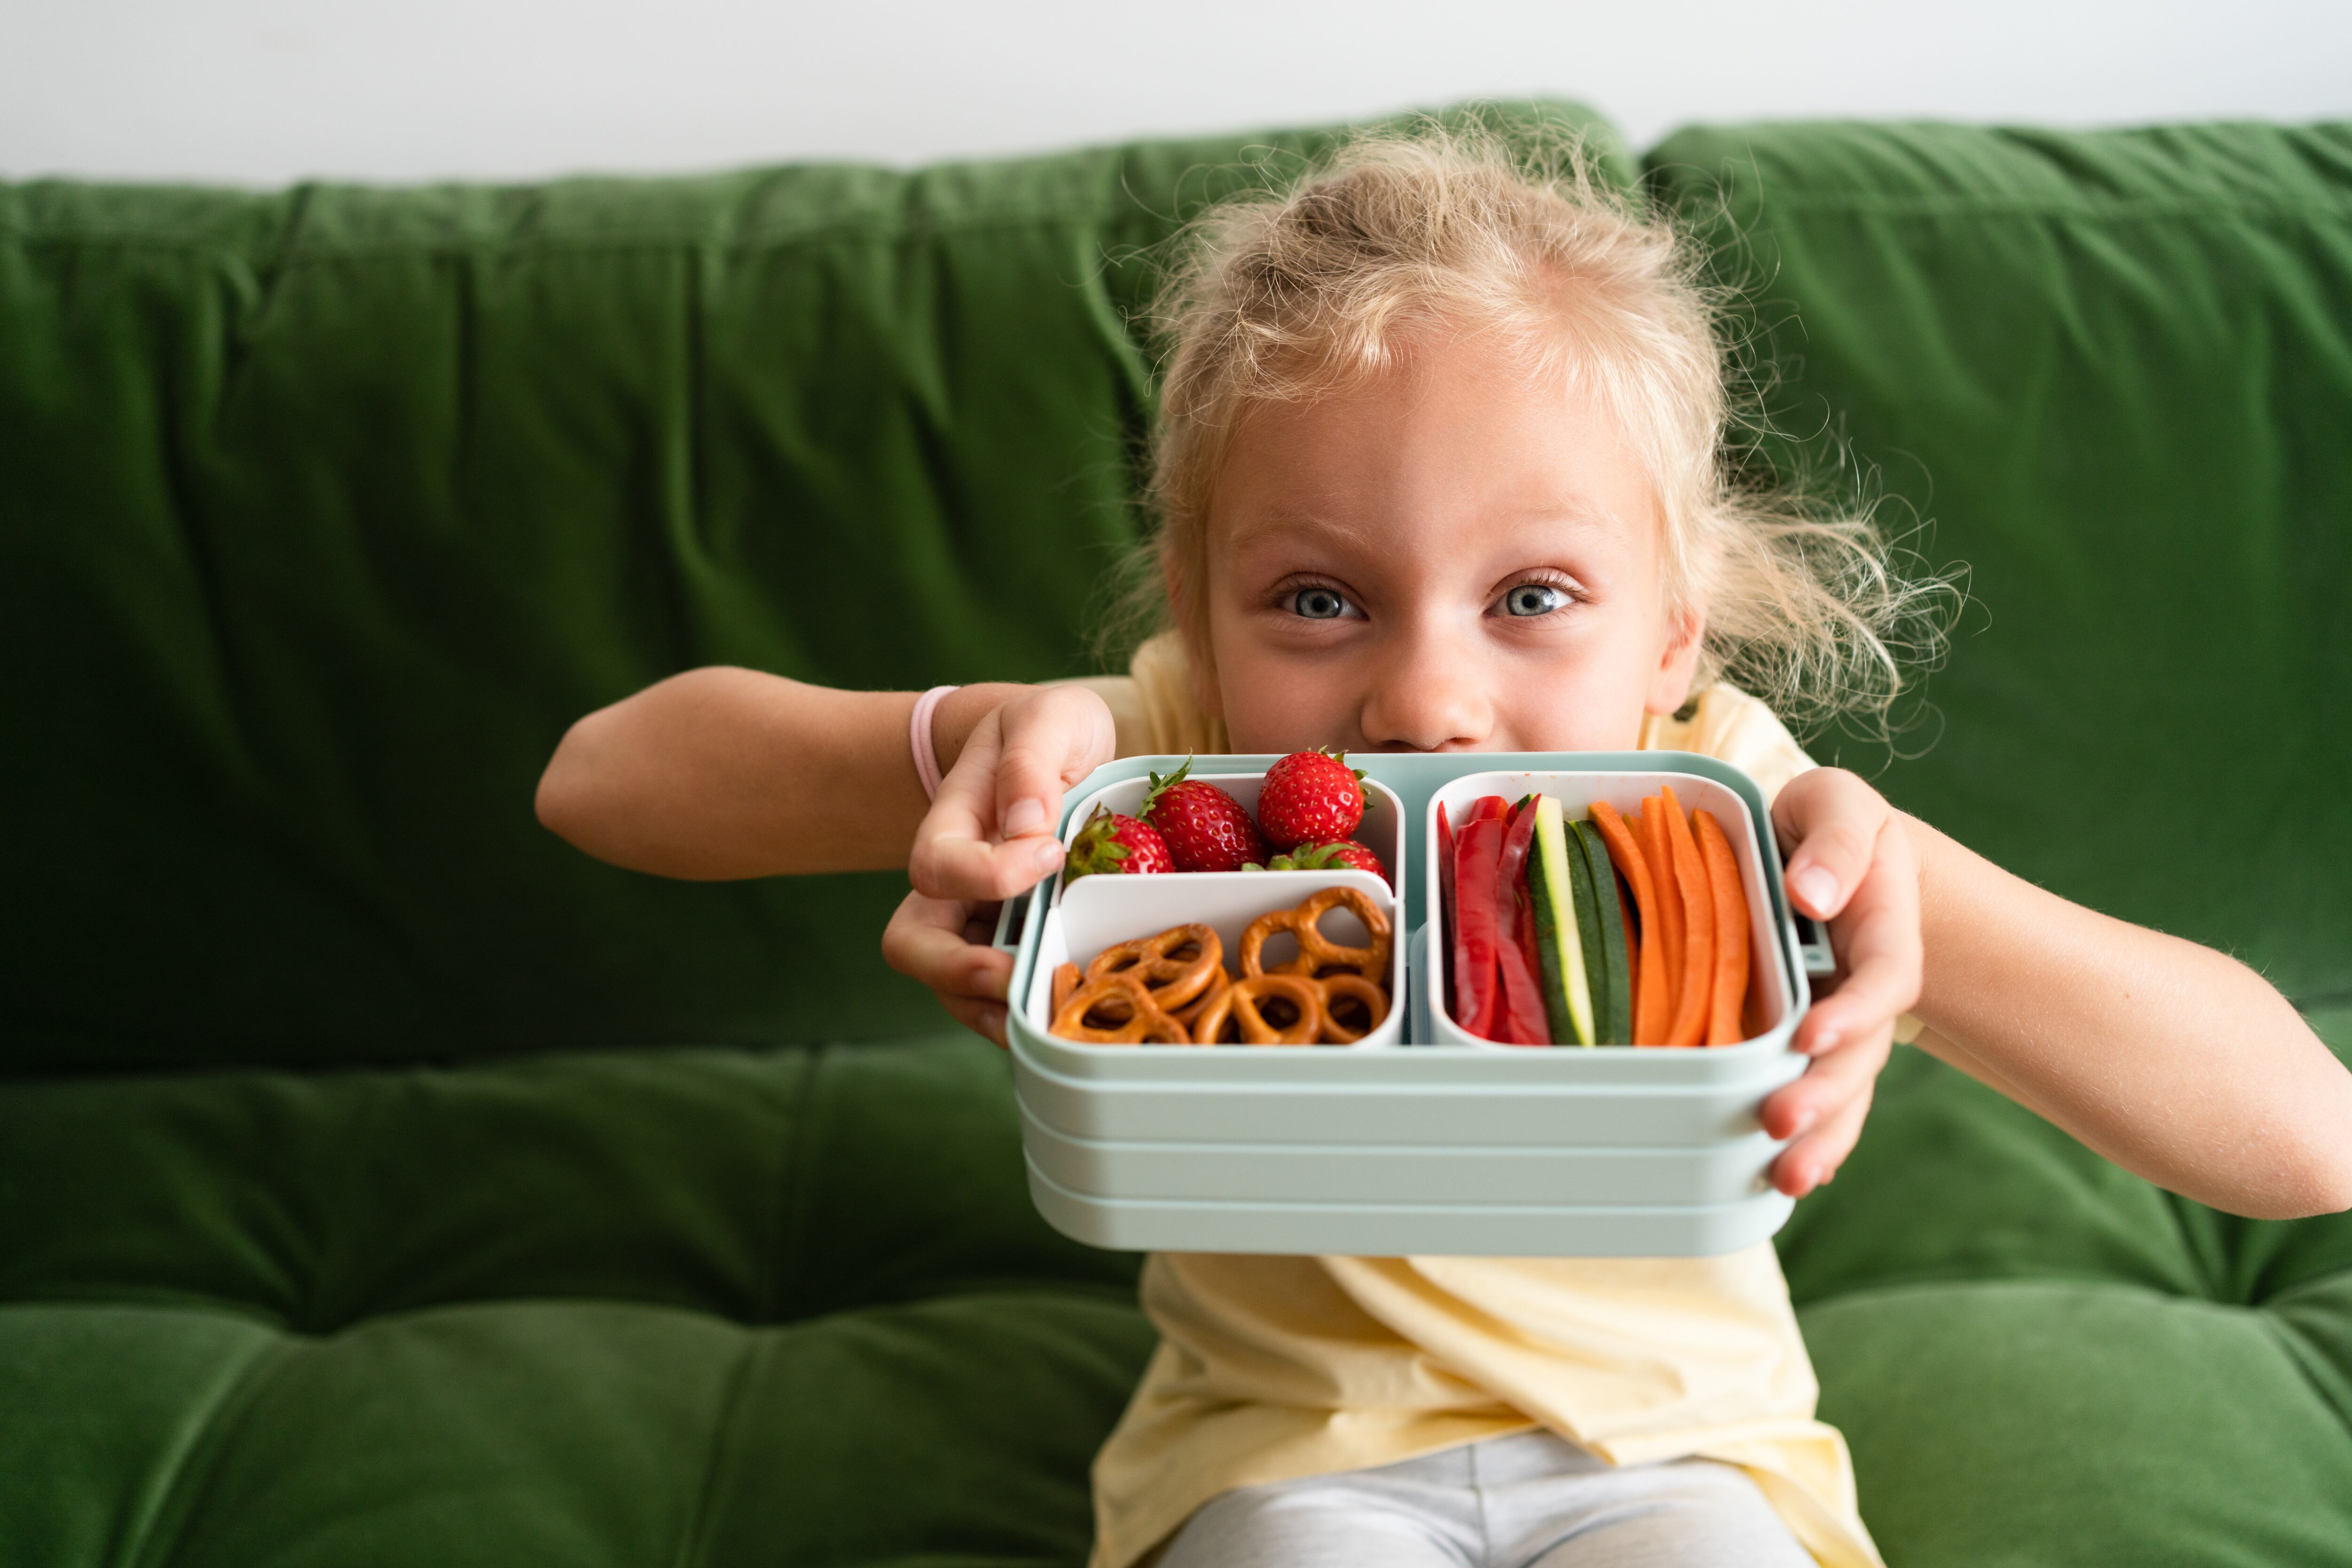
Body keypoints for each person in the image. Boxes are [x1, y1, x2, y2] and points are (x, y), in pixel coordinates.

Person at [535, 128, 2352, 1568]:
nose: (1426, 701)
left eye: (1535, 597)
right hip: (1272, 1475)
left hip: (1685, 1454)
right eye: (1319, 599)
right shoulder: (1164, 760)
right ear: (1199, 604)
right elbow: (603, 781)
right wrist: (969, 733)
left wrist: (1915, 911)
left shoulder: (1735, 794)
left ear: (1673, 635)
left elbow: (2301, 1138)